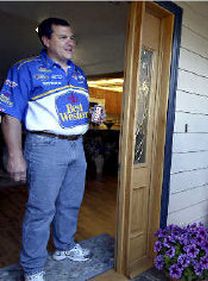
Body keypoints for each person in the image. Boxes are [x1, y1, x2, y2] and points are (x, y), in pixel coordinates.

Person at [0, 18, 101, 281]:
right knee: (41, 210)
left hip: (77, 147)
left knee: (70, 204)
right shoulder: (25, 69)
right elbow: (10, 114)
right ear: (46, 40)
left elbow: (70, 109)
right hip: (44, 147)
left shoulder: (78, 73)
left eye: (72, 37)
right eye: (63, 37)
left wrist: (91, 118)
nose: (71, 42)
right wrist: (15, 155)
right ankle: (33, 267)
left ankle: (64, 247)